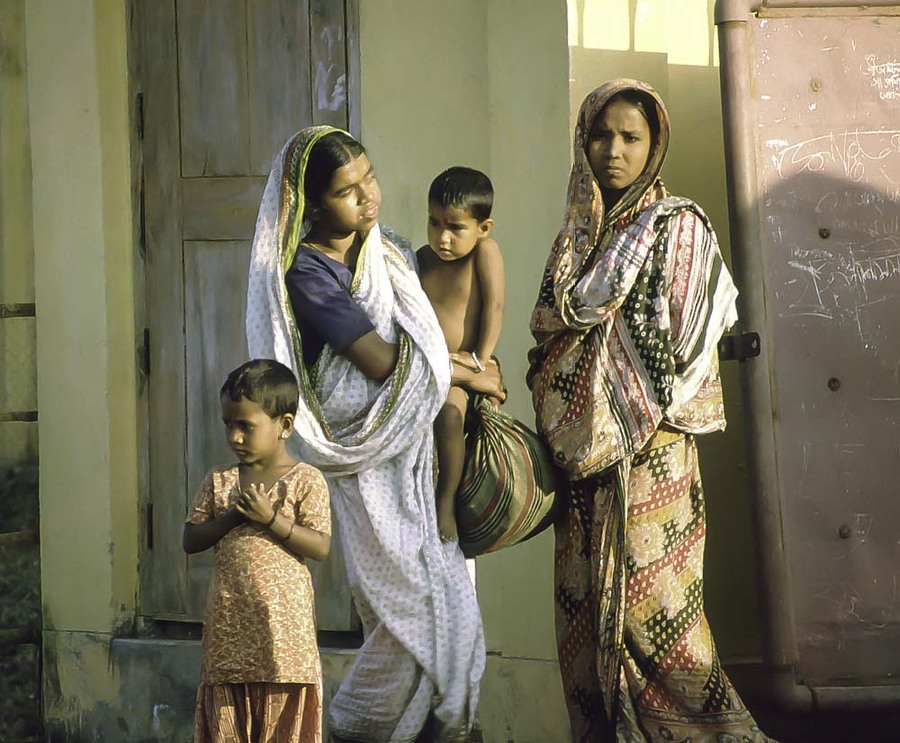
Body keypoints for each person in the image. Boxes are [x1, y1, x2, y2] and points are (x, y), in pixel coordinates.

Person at [528, 80, 773, 741]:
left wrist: (621, 414)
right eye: (601, 136)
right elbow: (549, 340)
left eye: (630, 138)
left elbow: (687, 348)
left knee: (661, 624)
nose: (614, 150)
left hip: (655, 462)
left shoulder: (679, 228)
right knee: (586, 630)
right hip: (582, 468)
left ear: (653, 144)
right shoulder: (572, 244)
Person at [245, 127, 503, 742]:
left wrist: (462, 371)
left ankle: (420, 729)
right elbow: (382, 364)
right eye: (345, 191)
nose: (368, 197)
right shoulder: (309, 273)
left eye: (369, 177)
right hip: (364, 449)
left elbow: (421, 336)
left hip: (414, 448)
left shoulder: (383, 247)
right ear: (311, 204)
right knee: (400, 609)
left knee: (441, 601)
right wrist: (471, 372)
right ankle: (356, 727)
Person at [183, 358, 332, 743]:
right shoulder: (220, 480)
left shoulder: (305, 480)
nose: (234, 437)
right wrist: (234, 516)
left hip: (283, 641)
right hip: (229, 638)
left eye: (245, 426)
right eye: (228, 425)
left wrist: (271, 520)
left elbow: (320, 546)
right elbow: (191, 539)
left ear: (284, 425)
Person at [417, 166, 504, 544]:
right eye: (434, 224)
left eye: (455, 227)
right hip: (430, 364)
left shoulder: (484, 253)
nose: (443, 237)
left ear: (483, 228)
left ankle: (447, 499)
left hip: (465, 362)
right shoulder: (421, 258)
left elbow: (495, 307)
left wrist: (481, 360)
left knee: (451, 417)